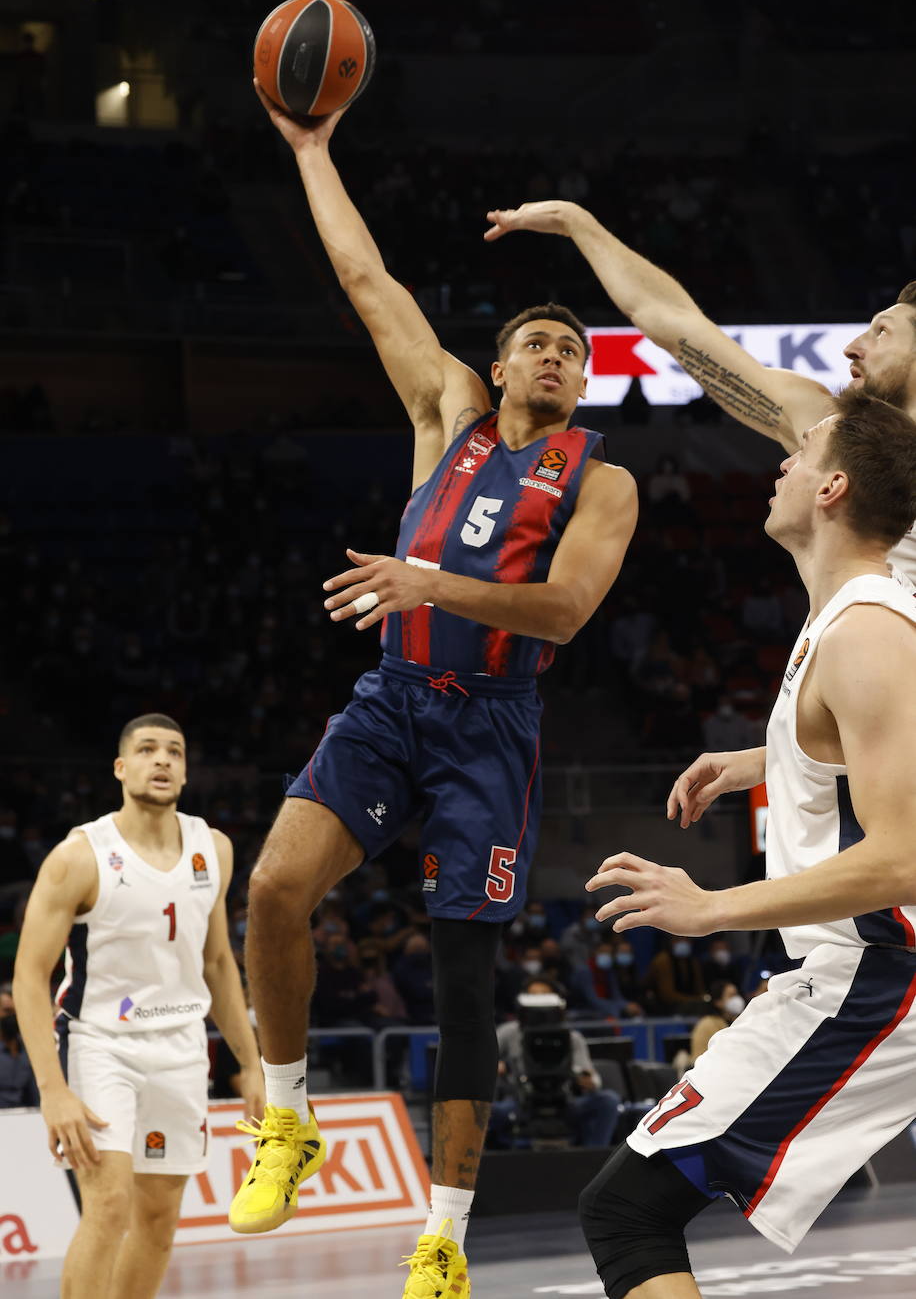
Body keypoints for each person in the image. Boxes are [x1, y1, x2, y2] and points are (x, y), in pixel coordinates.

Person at [233, 84, 638, 1298]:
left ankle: (443, 1238)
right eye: (537, 344)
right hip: (396, 695)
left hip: (492, 728)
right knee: (274, 888)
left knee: (465, 981)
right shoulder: (446, 410)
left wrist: (428, 580)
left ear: (581, 385)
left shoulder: (599, 482)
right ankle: (287, 1117)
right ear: (499, 364)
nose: (555, 358)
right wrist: (312, 149)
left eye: (572, 352)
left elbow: (562, 612)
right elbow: (366, 280)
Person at [577, 391, 916, 1298]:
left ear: (834, 488)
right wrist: (771, 756)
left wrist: (711, 908)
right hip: (863, 966)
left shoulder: (867, 630)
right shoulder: (850, 618)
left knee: (627, 1211)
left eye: (802, 452)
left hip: (880, 972)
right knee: (626, 1209)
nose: (783, 464)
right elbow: (873, 742)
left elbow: (905, 858)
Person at [483, 200, 916, 582]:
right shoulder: (830, 428)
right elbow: (671, 320)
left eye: (881, 332)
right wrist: (576, 222)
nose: (851, 347)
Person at [12, 714, 263, 1299]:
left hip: (181, 1047)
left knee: (158, 1219)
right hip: (101, 1044)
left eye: (174, 751)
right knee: (108, 1205)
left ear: (186, 770)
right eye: (147, 750)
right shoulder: (79, 856)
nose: (162, 760)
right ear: (121, 768)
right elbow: (29, 976)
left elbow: (217, 962)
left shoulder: (213, 848)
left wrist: (252, 1063)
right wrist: (53, 1090)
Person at [489, 977, 620, 1149]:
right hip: (520, 1102)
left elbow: (592, 1078)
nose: (539, 1001)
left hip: (564, 1102)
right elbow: (484, 1061)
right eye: (533, 995)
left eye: (544, 995)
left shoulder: (572, 1038)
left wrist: (589, 1081)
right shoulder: (508, 1032)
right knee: (484, 1110)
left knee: (608, 1100)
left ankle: (595, 1157)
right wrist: (495, 1066)